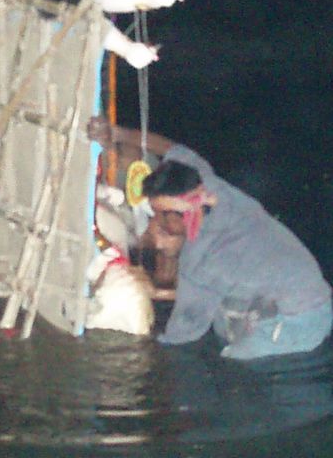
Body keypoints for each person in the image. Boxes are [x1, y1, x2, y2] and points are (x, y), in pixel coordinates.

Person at [88, 116, 333, 360]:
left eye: (162, 215)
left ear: (183, 215)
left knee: (232, 355)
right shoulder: (205, 182)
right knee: (220, 312)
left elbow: (184, 333)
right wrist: (116, 133)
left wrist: (143, 346)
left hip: (300, 322)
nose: (156, 220)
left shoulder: (204, 260)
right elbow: (170, 149)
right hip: (304, 284)